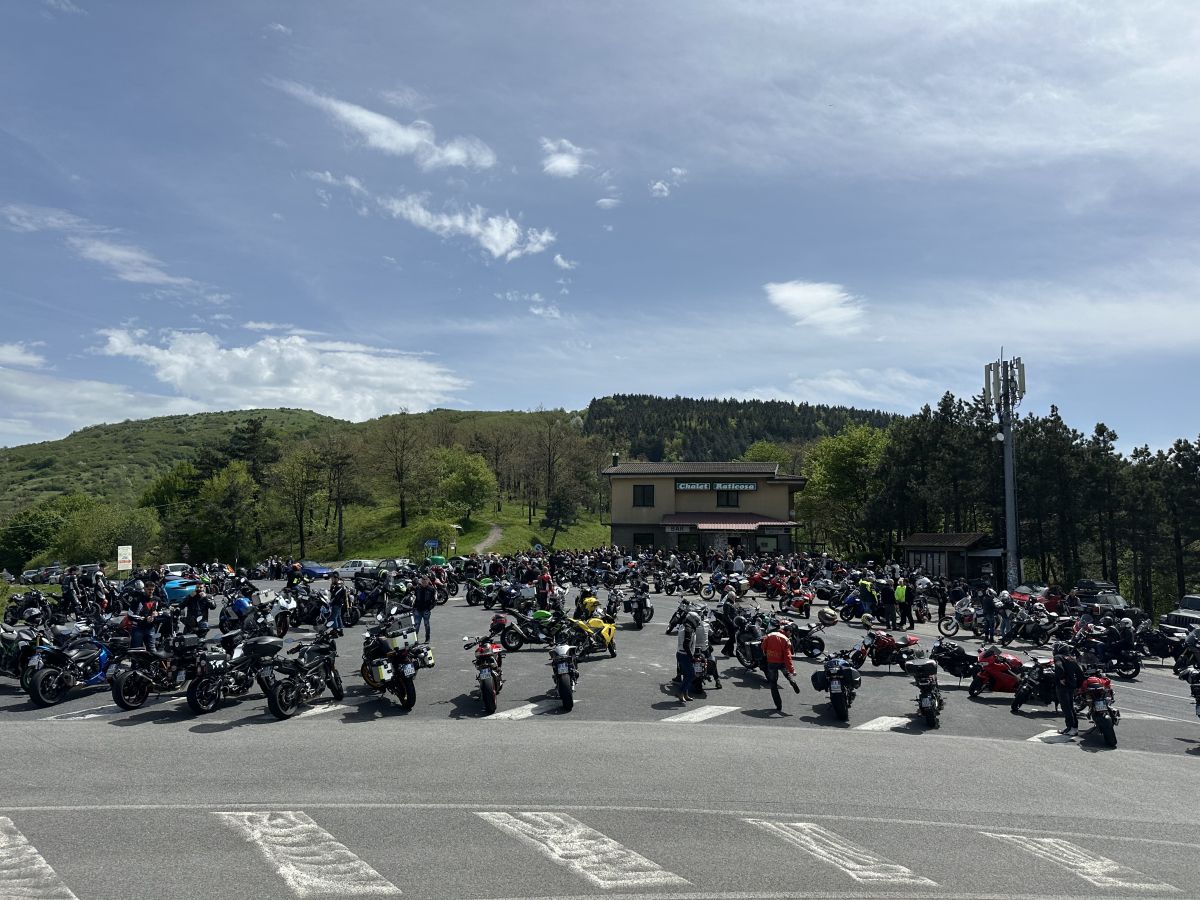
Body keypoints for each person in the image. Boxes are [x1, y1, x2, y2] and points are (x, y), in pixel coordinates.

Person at [761, 625, 799, 714]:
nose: (790, 635)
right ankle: (791, 680)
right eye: (791, 634)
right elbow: (787, 657)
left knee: (773, 684)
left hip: (771, 662)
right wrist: (792, 670)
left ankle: (778, 705)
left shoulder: (770, 635)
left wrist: (767, 654)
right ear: (788, 632)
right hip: (781, 662)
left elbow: (763, 647)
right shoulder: (786, 640)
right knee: (786, 673)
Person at [1053, 641, 1084, 737]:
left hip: (1063, 686)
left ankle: (1070, 728)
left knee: (1066, 708)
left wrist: (1061, 677)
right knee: (1071, 707)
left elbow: (1059, 666)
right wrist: (1078, 686)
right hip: (1071, 686)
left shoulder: (1058, 657)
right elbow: (1080, 673)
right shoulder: (1072, 658)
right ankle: (1074, 727)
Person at [675, 611, 699, 703]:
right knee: (691, 675)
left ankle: (685, 694)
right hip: (684, 655)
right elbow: (686, 645)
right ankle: (680, 691)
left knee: (686, 675)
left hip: (681, 654)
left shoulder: (685, 625)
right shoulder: (688, 629)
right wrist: (691, 657)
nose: (697, 622)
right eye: (696, 620)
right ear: (692, 619)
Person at [412, 575, 436, 643]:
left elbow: (434, 601)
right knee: (416, 625)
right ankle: (415, 640)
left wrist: (429, 608)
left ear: (428, 581)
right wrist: (414, 608)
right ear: (421, 581)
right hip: (418, 610)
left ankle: (427, 639)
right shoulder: (417, 588)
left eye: (425, 582)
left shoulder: (431, 589)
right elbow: (413, 598)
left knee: (426, 625)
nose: (424, 583)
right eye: (423, 582)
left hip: (426, 610)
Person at [328, 572, 348, 637]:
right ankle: (340, 630)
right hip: (339, 603)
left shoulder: (339, 585)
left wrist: (330, 602)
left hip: (337, 603)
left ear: (336, 578)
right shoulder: (336, 584)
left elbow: (335, 595)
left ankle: (335, 631)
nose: (331, 579)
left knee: (333, 617)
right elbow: (331, 591)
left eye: (332, 578)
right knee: (338, 616)